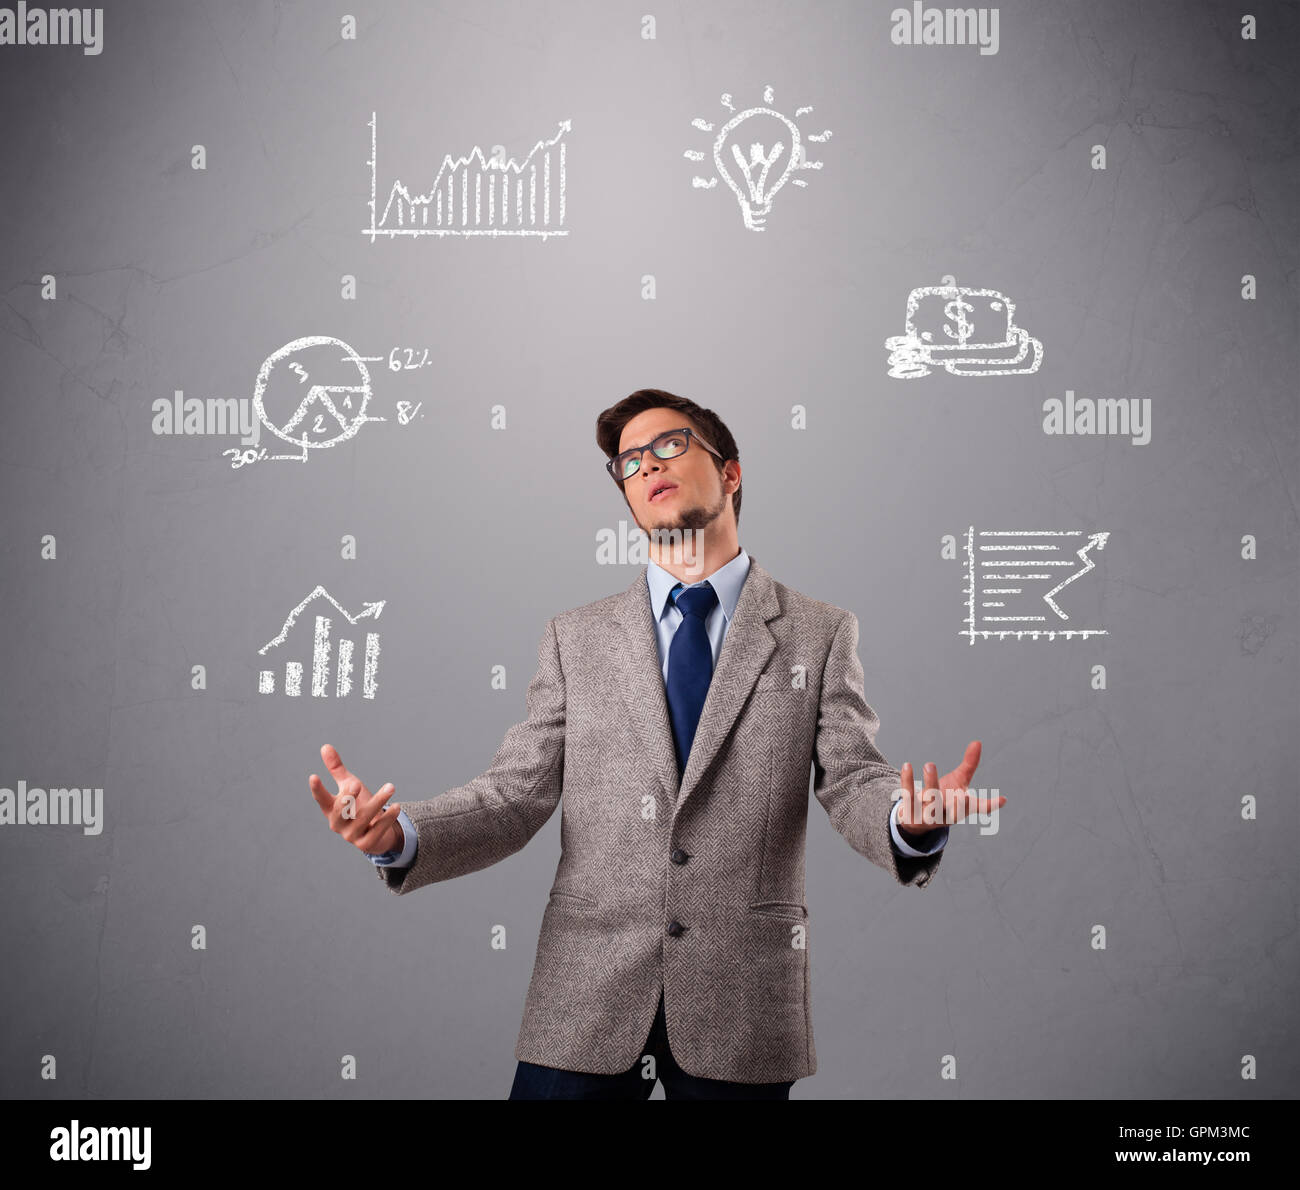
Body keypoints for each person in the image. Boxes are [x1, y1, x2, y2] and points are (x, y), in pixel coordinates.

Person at [309, 388, 1003, 1098]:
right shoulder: (574, 638)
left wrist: (906, 820)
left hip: (742, 1000)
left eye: (669, 445)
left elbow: (853, 778)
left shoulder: (818, 632)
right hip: (585, 995)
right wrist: (402, 834)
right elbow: (515, 795)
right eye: (628, 461)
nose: (646, 465)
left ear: (729, 472)